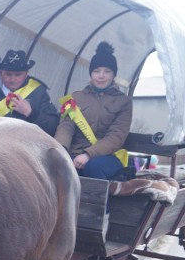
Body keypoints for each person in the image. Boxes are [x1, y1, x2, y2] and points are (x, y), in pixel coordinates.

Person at [55, 41, 132, 180]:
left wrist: (88, 154)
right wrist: (61, 149)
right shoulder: (75, 97)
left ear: (113, 75)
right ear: (91, 74)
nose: (101, 76)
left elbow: (116, 137)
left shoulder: (123, 102)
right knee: (54, 164)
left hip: (107, 155)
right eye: (96, 71)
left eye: (107, 71)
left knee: (93, 166)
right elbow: (66, 127)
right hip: (74, 153)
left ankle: (99, 201)